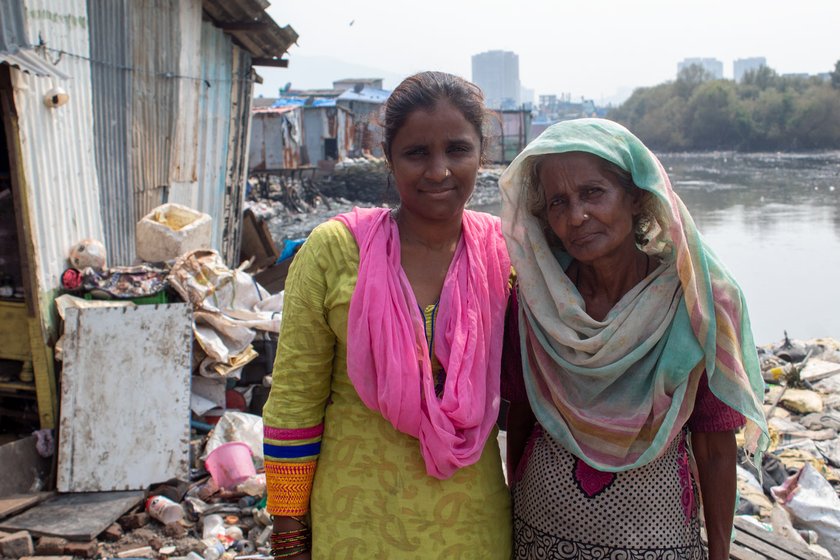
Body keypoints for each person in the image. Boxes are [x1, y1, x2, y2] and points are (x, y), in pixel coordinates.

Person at [262, 71, 513, 559]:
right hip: (356, 521)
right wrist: (289, 535)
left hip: (473, 525)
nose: (438, 171)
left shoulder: (505, 254)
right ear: (389, 160)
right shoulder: (335, 251)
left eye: (457, 150)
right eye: (417, 153)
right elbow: (295, 401)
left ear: (482, 156)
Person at [499, 118, 769, 560]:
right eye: (557, 202)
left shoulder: (698, 303)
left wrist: (720, 553)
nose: (576, 217)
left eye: (593, 193)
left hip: (656, 536)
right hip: (540, 529)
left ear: (637, 195)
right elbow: (525, 416)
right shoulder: (534, 300)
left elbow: (715, 447)